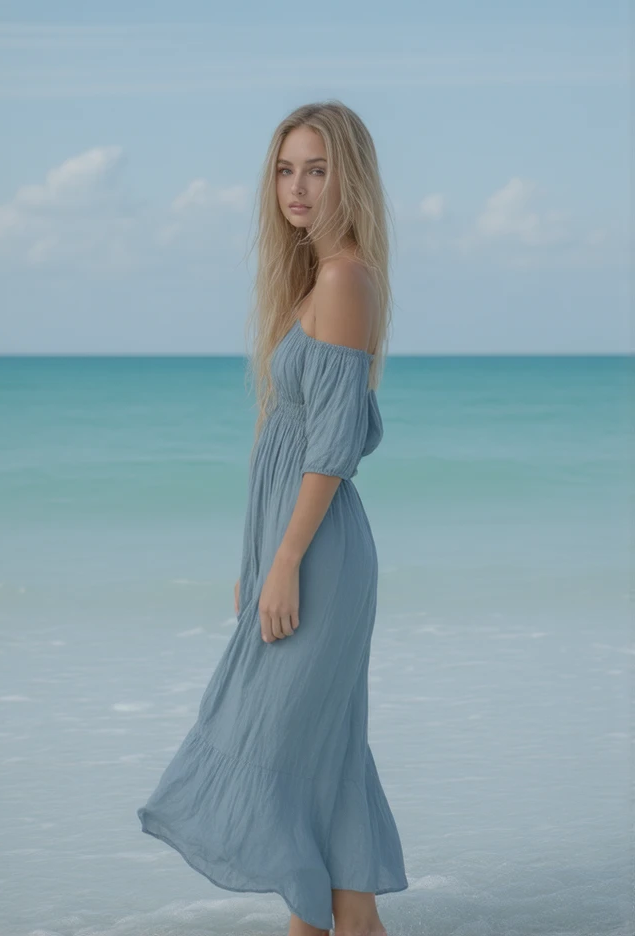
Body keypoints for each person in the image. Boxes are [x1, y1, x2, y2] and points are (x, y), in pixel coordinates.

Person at [137, 100, 408, 936]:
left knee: (286, 758)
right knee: (319, 776)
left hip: (319, 554)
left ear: (348, 176)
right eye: (286, 169)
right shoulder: (310, 280)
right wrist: (256, 559)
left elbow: (328, 449)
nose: (297, 186)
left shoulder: (343, 278)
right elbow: (280, 439)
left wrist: (286, 559)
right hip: (293, 548)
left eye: (316, 168)